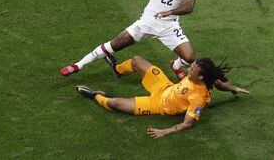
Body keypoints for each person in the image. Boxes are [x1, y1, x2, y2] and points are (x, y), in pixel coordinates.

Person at [61, 0, 197, 80]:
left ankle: (176, 65)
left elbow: (189, 6)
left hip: (169, 26)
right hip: (147, 22)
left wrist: (170, 12)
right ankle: (78, 65)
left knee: (189, 57)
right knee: (115, 43)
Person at [76, 55, 250, 139]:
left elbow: (188, 123)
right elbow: (219, 83)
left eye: (192, 70)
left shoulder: (198, 98)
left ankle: (96, 95)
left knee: (114, 103)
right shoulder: (206, 80)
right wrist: (234, 89)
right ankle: (118, 69)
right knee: (136, 60)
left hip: (158, 104)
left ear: (201, 77)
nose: (188, 71)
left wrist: (164, 131)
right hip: (164, 86)